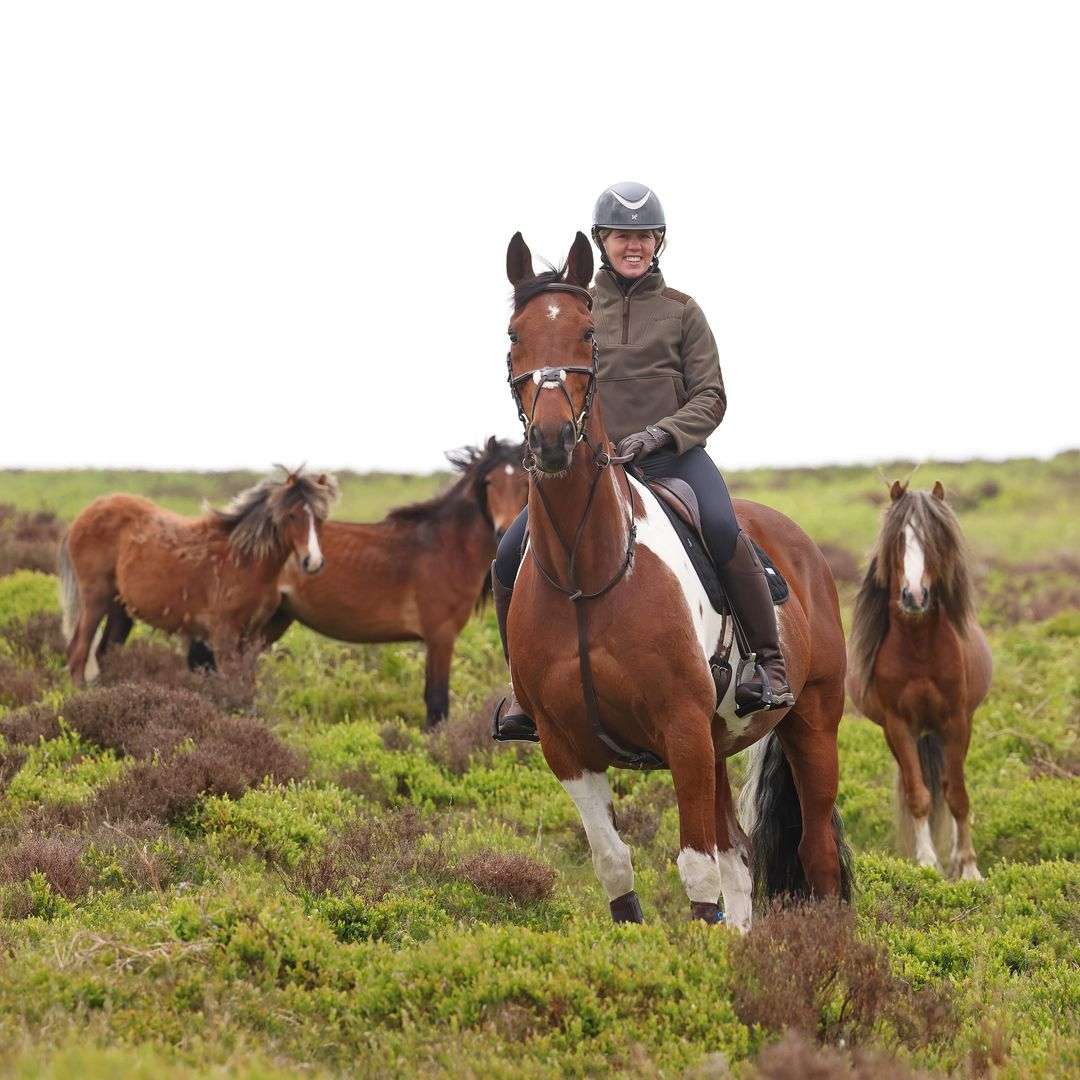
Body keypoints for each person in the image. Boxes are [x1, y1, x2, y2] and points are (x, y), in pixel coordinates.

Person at [492, 181, 795, 741]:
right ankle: (522, 687)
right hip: (594, 469)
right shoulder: (578, 311)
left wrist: (660, 434)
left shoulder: (682, 311)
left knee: (723, 528)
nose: (633, 246)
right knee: (510, 551)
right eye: (621, 236)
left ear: (659, 242)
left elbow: (711, 396)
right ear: (602, 242)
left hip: (673, 460)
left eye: (644, 236)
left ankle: (766, 663)